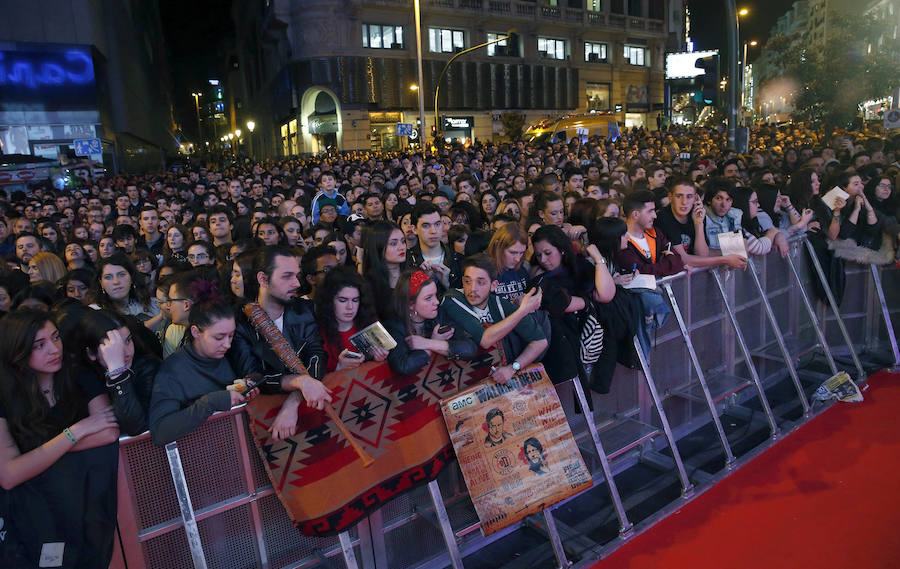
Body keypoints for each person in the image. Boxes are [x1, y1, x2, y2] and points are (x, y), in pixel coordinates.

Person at [0, 309, 119, 568]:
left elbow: (108, 432)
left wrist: (35, 456)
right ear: (16, 350)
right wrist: (76, 430)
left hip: (84, 504)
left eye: (55, 338)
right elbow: (9, 475)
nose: (54, 349)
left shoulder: (78, 374)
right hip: (32, 514)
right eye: (39, 345)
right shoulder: (6, 395)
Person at [229, 246, 330, 440]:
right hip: (265, 428)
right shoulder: (239, 325)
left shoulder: (304, 309)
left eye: (297, 275)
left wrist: (294, 400)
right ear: (263, 279)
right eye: (287, 276)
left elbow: (316, 355)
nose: (296, 283)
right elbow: (253, 376)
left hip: (310, 419)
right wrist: (298, 381)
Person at [150, 285, 257, 445]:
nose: (227, 344)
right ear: (195, 332)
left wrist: (248, 386)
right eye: (219, 337)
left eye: (231, 335)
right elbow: (160, 431)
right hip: (198, 452)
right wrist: (210, 402)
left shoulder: (232, 351)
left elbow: (255, 372)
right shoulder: (173, 371)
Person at [440, 255, 547, 384]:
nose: (473, 288)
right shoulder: (452, 298)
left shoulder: (498, 303)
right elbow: (485, 340)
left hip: (485, 385)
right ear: (463, 281)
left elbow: (540, 341)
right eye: (468, 281)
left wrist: (512, 368)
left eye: (481, 282)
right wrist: (522, 311)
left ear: (493, 285)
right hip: (451, 382)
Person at [529, 225, 614, 384]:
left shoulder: (579, 266)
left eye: (548, 253)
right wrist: (587, 302)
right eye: (539, 255)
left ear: (561, 249)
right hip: (565, 349)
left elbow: (606, 294)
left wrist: (597, 258)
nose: (544, 260)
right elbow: (562, 304)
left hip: (592, 341)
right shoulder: (540, 278)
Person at [385, 269, 477, 376]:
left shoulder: (440, 314)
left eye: (435, 295)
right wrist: (429, 349)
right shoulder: (394, 326)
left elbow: (470, 348)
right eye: (428, 298)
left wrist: (430, 343)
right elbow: (402, 366)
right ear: (410, 304)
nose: (437, 302)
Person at [655, 178, 747, 270]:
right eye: (679, 196)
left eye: (689, 196)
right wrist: (725, 259)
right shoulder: (664, 217)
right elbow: (683, 258)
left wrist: (698, 223)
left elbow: (702, 255)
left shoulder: (697, 214)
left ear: (695, 198)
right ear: (670, 197)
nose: (684, 202)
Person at [314, 266, 388, 372]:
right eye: (343, 300)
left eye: (355, 300)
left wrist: (379, 359)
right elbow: (315, 378)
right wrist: (339, 368)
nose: (350, 307)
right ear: (329, 301)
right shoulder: (317, 333)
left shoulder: (370, 322)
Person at [615, 190, 684, 277]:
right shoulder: (620, 240)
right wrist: (670, 261)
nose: (655, 216)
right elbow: (643, 272)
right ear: (635, 214)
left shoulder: (656, 232)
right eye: (650, 211)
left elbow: (678, 260)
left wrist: (673, 263)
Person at [89, 252, 159, 322]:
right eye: (108, 277)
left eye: (121, 275)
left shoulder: (153, 305)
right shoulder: (93, 313)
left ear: (131, 278)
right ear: (101, 283)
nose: (116, 282)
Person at [359, 221, 410, 317]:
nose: (401, 247)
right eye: (393, 243)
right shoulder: (369, 285)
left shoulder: (412, 275)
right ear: (378, 247)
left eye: (403, 241)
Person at [486, 222, 530, 305]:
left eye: (521, 253)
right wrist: (513, 304)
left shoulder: (522, 271)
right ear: (497, 246)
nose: (518, 259)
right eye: (513, 252)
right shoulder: (484, 271)